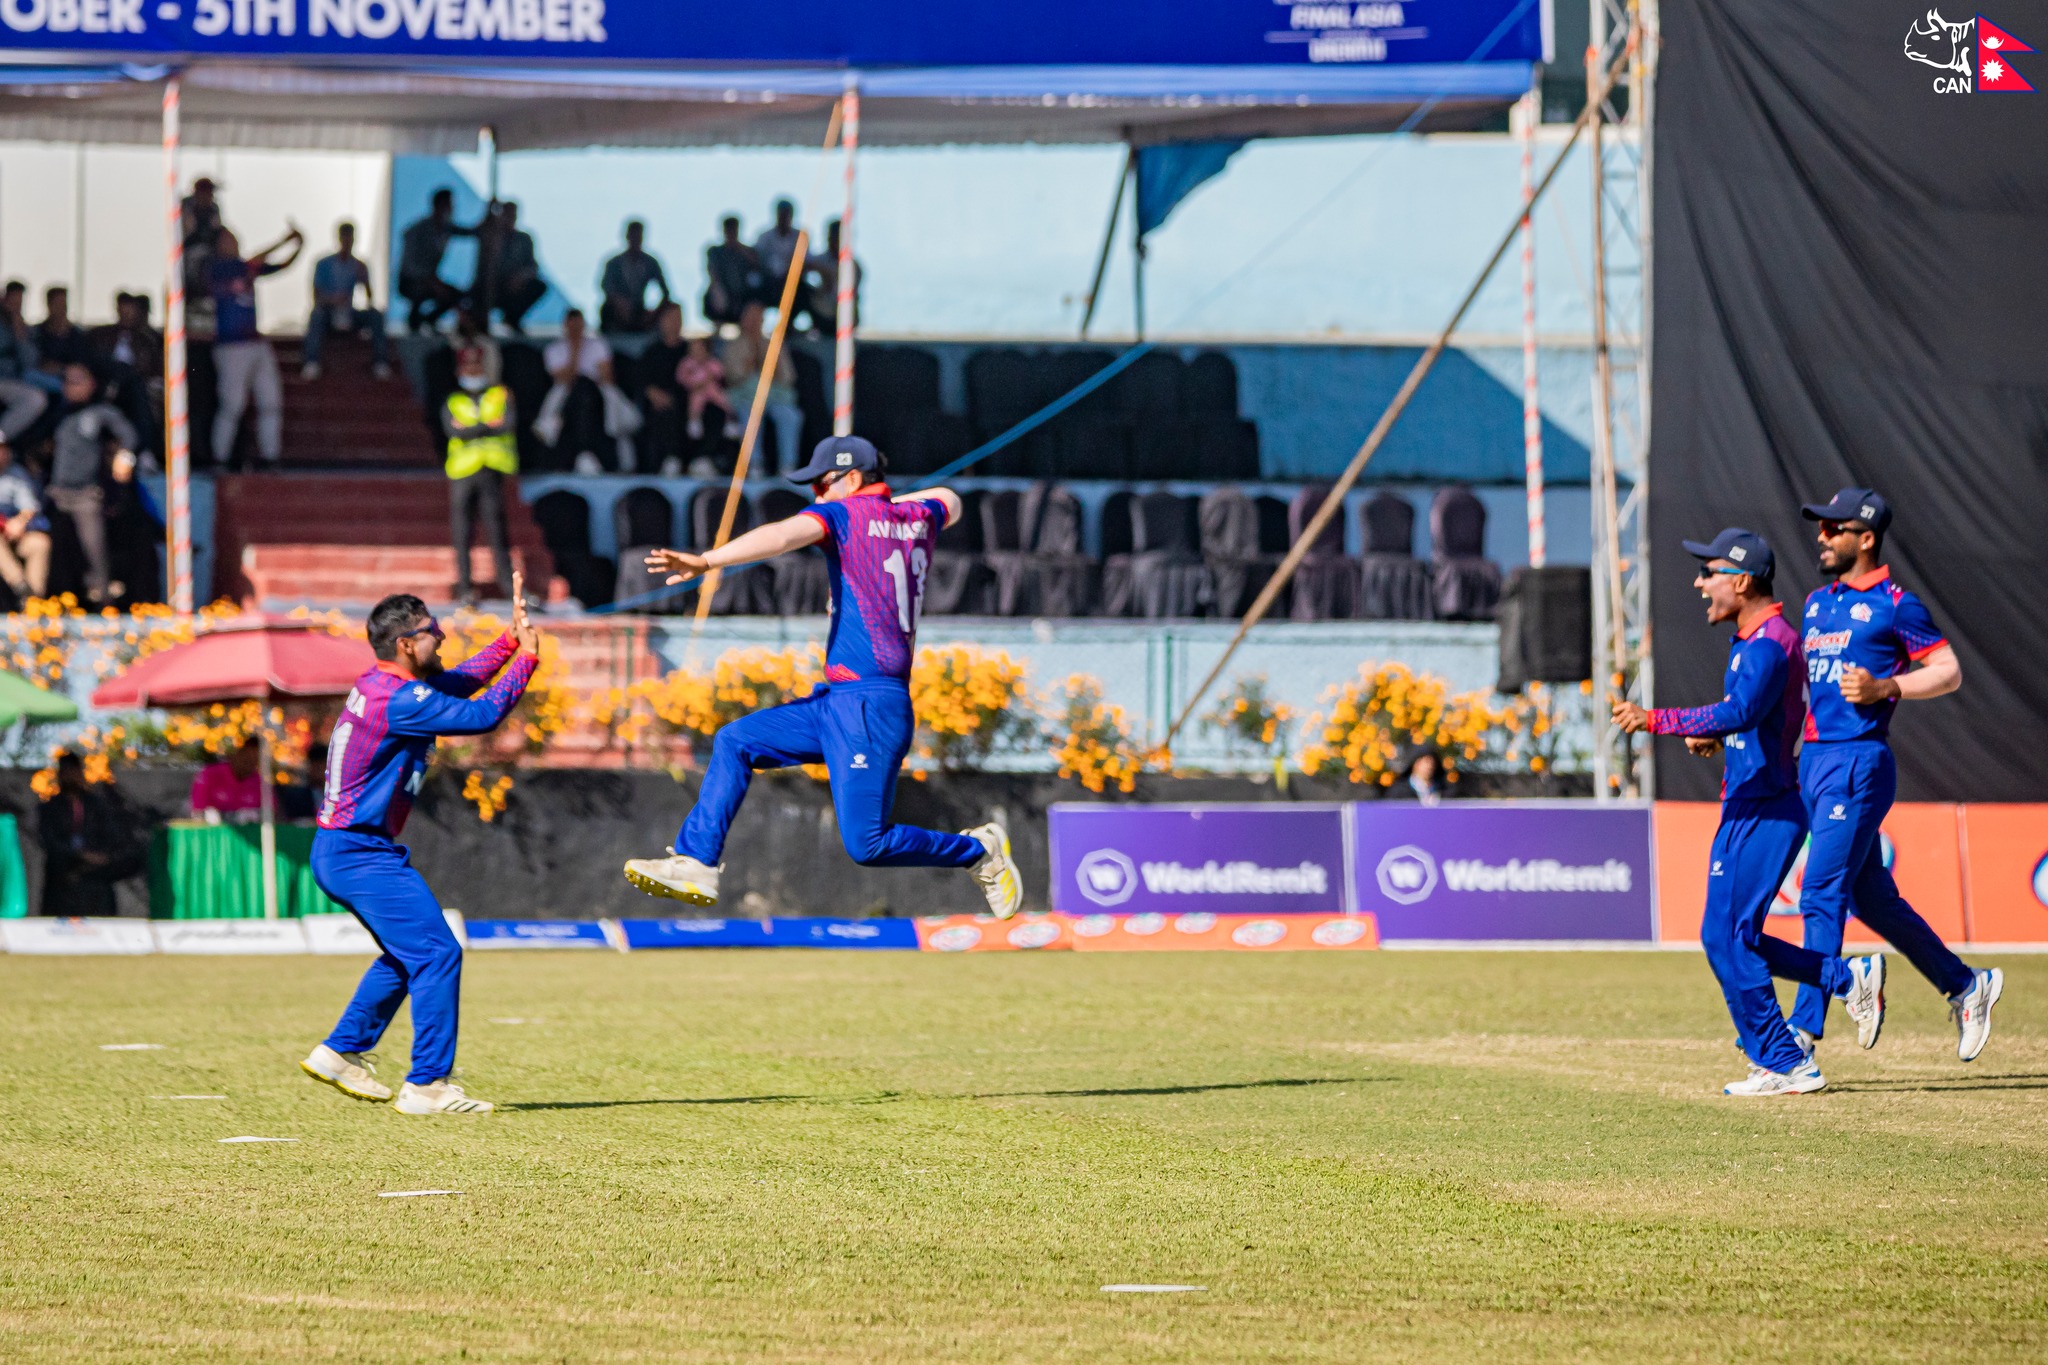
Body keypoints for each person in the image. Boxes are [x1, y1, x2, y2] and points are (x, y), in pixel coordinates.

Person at [623, 435, 1023, 918]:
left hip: (870, 706)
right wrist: (882, 505)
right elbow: (951, 500)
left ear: (852, 478)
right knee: (735, 741)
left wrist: (708, 561)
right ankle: (696, 860)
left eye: (822, 483)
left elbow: (782, 535)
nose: (816, 496)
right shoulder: (918, 516)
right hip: (839, 701)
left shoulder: (844, 515)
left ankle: (978, 851)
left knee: (867, 844)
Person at [1614, 529, 1883, 1096]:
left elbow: (1741, 709)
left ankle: (1787, 1062)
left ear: (1740, 581)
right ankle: (1841, 978)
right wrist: (1718, 739)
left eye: (1708, 572)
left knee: (1727, 937)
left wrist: (1656, 719)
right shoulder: (1757, 639)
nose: (1699, 583)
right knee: (1728, 936)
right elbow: (1754, 718)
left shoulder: (1768, 643)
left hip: (1767, 808)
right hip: (1750, 802)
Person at [300, 586, 541, 1116]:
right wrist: (527, 659)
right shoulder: (402, 699)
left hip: (349, 849)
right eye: (432, 629)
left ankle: (340, 1052)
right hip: (358, 852)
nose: (442, 635)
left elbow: (454, 684)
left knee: (409, 954)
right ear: (407, 644)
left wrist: (506, 644)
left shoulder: (388, 685)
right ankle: (426, 1085)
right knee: (438, 953)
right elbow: (479, 716)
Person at [1789, 488, 2001, 1060]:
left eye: (1833, 528)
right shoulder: (1815, 603)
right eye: (1821, 528)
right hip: (1814, 760)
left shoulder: (1896, 604)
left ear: (1865, 537)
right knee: (1870, 899)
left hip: (1858, 761)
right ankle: (1965, 985)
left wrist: (1889, 686)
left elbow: (1949, 671)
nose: (1821, 536)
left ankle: (1801, 1037)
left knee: (1820, 891)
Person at [209, 224, 304, 467]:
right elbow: (255, 262)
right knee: (232, 405)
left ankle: (270, 457)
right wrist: (284, 240)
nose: (234, 243)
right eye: (229, 240)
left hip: (255, 343)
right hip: (231, 346)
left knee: (270, 401)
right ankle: (219, 459)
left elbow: (279, 266)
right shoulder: (219, 268)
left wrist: (298, 247)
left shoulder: (245, 267)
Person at [47, 362, 138, 604]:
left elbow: (129, 435)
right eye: (67, 381)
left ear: (91, 384)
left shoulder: (100, 413)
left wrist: (124, 457)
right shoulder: (58, 414)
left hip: (85, 494)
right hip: (57, 494)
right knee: (57, 554)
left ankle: (105, 604)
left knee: (95, 552)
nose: (71, 387)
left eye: (78, 381)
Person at [442, 344, 518, 604]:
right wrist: (487, 427)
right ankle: (464, 588)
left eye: (477, 367)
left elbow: (507, 425)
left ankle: (509, 587)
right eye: (468, 367)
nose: (473, 372)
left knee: (497, 532)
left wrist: (471, 428)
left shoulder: (500, 395)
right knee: (462, 533)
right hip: (462, 473)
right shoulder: (453, 400)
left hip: (490, 471)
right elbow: (453, 432)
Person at [38, 752, 145, 916]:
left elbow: (112, 836)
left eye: (74, 772)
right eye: (66, 773)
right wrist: (80, 855)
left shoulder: (96, 805)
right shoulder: (50, 808)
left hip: (95, 878)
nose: (70, 777)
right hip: (63, 878)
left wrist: (99, 857)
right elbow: (50, 841)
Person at [534, 308, 636, 474]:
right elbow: (564, 379)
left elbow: (607, 377)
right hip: (567, 399)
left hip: (597, 397)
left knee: (586, 389)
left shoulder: (598, 345)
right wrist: (575, 351)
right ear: (565, 326)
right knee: (580, 389)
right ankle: (581, 454)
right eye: (571, 325)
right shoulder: (554, 350)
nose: (576, 330)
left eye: (578, 325)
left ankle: (590, 455)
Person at [303, 221, 391, 380]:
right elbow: (316, 296)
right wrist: (333, 300)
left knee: (376, 315)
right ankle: (312, 362)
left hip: (349, 313)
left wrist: (364, 280)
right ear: (339, 238)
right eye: (345, 237)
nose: (347, 242)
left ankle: (380, 362)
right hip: (329, 312)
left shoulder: (358, 265)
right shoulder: (324, 264)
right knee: (316, 316)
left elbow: (369, 297)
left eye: (350, 238)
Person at [722, 301, 802, 475]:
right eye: (750, 317)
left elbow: (789, 378)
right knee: (750, 416)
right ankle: (754, 465)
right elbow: (730, 377)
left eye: (758, 317)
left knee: (791, 416)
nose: (754, 321)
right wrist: (749, 366)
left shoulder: (774, 344)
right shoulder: (733, 346)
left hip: (775, 397)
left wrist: (775, 368)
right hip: (745, 398)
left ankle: (787, 467)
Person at [87, 292, 164, 452]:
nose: (127, 314)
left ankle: (146, 452)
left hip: (133, 389)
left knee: (137, 388)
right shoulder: (100, 335)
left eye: (131, 310)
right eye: (124, 310)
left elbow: (154, 369)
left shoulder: (147, 340)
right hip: (104, 385)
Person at [397, 189, 475, 333]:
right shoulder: (417, 230)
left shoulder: (447, 228)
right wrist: (429, 280)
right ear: (440, 205)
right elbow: (409, 265)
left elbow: (472, 232)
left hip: (432, 280)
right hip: (411, 280)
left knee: (456, 295)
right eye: (450, 204)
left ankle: (428, 319)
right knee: (421, 291)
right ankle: (414, 320)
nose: (452, 209)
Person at [634, 301, 690, 476]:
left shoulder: (691, 351)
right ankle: (668, 461)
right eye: (671, 318)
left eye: (679, 318)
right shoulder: (651, 352)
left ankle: (701, 461)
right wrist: (653, 394)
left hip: (687, 403)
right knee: (662, 413)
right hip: (656, 406)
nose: (676, 322)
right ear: (661, 321)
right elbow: (642, 381)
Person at [0, 433, 51, 599]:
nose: (2, 453)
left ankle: (32, 601)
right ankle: (20, 585)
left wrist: (19, 522)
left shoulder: (16, 473)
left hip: (13, 534)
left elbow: (29, 507)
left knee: (40, 543)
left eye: (4, 449)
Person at [598, 220, 671, 335]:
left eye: (638, 236)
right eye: (633, 236)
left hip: (640, 311)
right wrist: (619, 303)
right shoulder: (614, 263)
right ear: (627, 236)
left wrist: (653, 312)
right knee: (606, 310)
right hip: (616, 312)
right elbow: (605, 287)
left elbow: (665, 292)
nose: (636, 240)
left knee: (671, 308)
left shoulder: (650, 263)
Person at [485, 201, 546, 334]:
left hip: (517, 286)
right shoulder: (492, 238)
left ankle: (512, 319)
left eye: (513, 215)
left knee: (538, 286)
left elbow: (533, 266)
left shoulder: (524, 239)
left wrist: (521, 277)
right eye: (507, 214)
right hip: (496, 286)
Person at [703, 215, 764, 326]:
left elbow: (757, 267)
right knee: (714, 294)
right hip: (723, 292)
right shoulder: (715, 252)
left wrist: (739, 248)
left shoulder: (747, 252)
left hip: (743, 293)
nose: (731, 233)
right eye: (729, 229)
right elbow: (712, 272)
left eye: (733, 229)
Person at [804, 218, 859, 336]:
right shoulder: (820, 260)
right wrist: (822, 272)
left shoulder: (853, 267)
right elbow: (801, 266)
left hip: (839, 320)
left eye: (835, 237)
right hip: (820, 316)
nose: (831, 240)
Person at [190, 736, 264, 820]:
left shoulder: (260, 781)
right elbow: (198, 812)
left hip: (249, 831)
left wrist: (255, 815)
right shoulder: (209, 775)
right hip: (213, 831)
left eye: (255, 760)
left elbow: (272, 814)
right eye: (246, 758)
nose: (250, 764)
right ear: (233, 755)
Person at [32, 287, 93, 376]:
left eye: (63, 305)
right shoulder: (37, 333)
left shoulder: (77, 335)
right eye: (57, 304)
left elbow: (81, 364)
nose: (61, 309)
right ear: (49, 305)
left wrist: (62, 368)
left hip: (70, 378)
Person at [753, 198, 803, 287]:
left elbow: (806, 261)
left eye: (786, 214)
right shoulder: (765, 237)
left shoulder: (800, 237)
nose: (783, 218)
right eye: (781, 214)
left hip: (793, 282)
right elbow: (757, 259)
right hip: (768, 280)